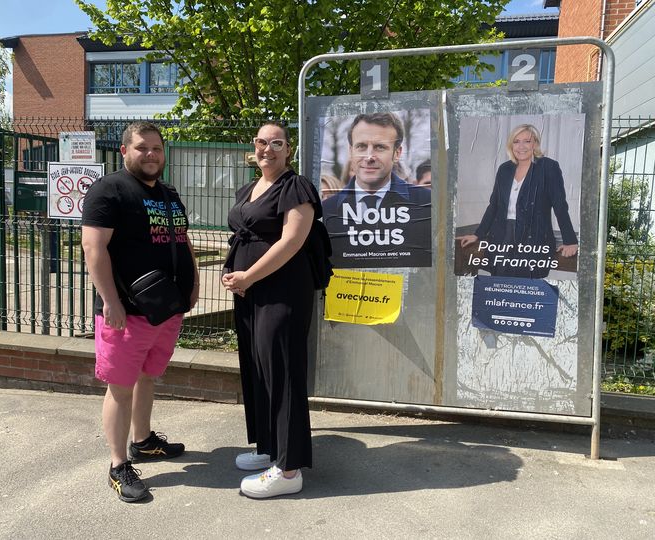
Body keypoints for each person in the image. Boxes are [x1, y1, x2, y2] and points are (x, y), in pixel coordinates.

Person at [81, 121, 199, 503]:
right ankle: (118, 466)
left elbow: (183, 240)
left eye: (157, 149)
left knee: (149, 376)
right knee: (120, 388)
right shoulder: (109, 190)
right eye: (142, 148)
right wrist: (111, 301)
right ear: (124, 151)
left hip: (166, 308)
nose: (151, 155)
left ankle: (143, 441)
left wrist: (194, 282)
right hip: (127, 312)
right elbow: (93, 249)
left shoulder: (168, 193)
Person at [221, 121, 319, 499]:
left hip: (282, 291)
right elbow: (242, 234)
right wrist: (234, 273)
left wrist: (248, 275)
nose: (268, 149)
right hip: (250, 290)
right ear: (254, 147)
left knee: (283, 370)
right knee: (259, 368)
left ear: (288, 150)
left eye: (277, 143)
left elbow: (293, 240)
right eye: (262, 142)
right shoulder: (250, 188)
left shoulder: (296, 187)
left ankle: (289, 469)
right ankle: (270, 448)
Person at [459, 124, 578, 278]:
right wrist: (478, 234)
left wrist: (570, 240)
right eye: (516, 141)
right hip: (502, 235)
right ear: (511, 145)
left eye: (527, 141)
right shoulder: (504, 169)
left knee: (525, 285)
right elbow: (494, 205)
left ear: (535, 143)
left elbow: (560, 206)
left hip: (533, 237)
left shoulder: (548, 167)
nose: (521, 146)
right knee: (500, 282)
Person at [322, 112, 431, 268]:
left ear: (397, 153)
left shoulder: (427, 205)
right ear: (351, 151)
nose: (369, 156)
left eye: (380, 147)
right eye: (361, 146)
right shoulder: (326, 211)